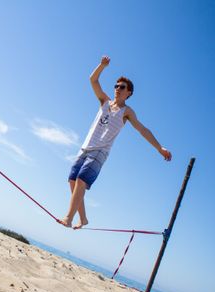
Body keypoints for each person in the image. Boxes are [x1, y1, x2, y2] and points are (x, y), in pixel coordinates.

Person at [58, 56, 172, 229]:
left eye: (122, 87)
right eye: (116, 86)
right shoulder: (104, 101)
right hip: (85, 147)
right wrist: (102, 66)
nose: (118, 89)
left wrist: (159, 148)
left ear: (129, 93)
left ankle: (68, 217)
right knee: (72, 181)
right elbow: (93, 80)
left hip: (100, 151)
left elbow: (142, 130)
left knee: (81, 181)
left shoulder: (127, 112)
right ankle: (83, 219)